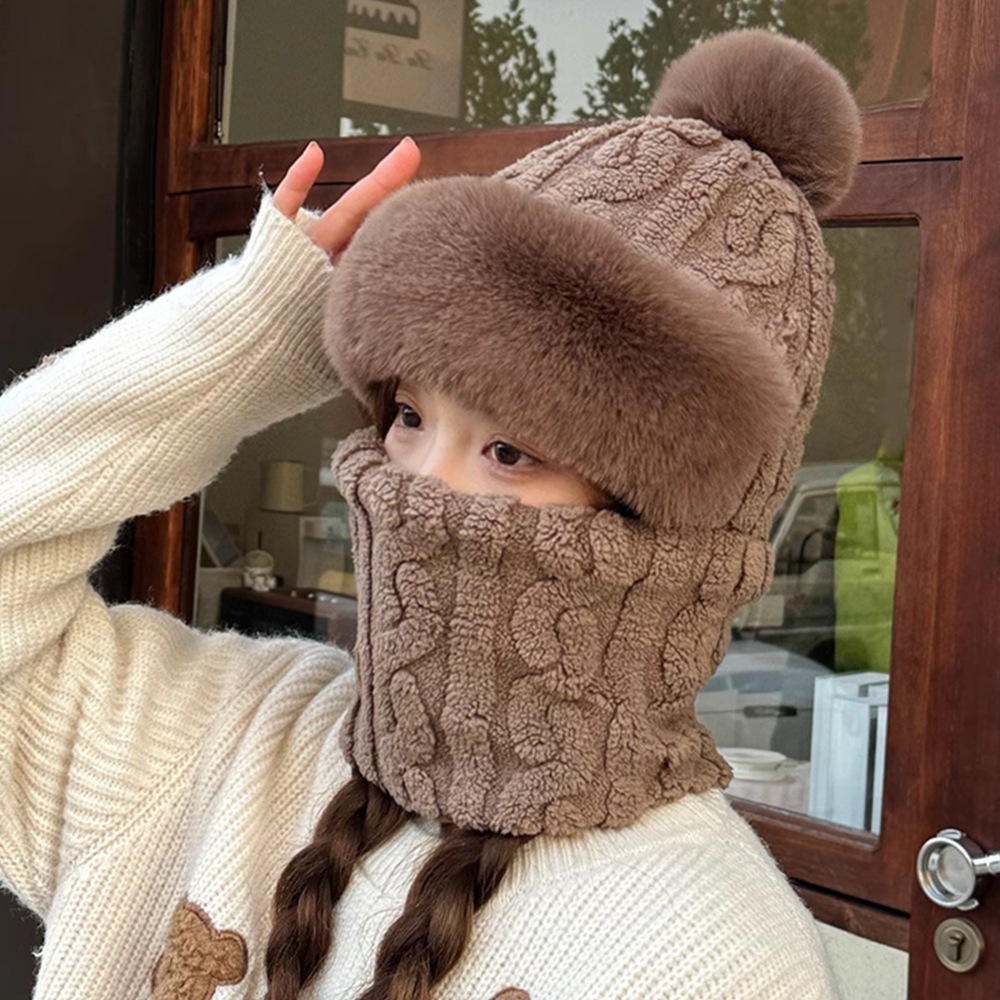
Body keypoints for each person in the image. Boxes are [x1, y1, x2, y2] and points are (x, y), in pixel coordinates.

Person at [0, 29, 859, 1000]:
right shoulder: (221, 736)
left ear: (664, 528)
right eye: (408, 416)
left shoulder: (714, 959)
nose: (417, 484)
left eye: (509, 450)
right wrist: (248, 336)